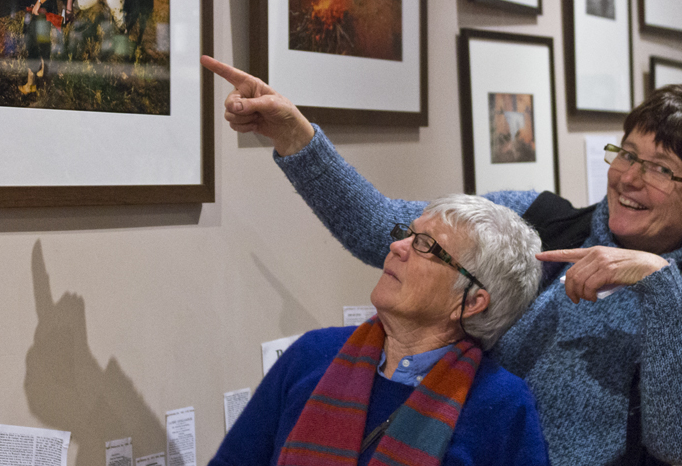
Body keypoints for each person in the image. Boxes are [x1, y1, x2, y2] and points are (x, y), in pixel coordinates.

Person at [201, 55, 682, 466]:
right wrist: (296, 136)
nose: (629, 178)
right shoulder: (538, 221)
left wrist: (661, 286)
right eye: (628, 154)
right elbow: (383, 228)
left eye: (661, 169)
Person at [211, 194, 549, 466]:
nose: (397, 247)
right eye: (407, 235)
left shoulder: (501, 404)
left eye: (426, 246)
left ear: (471, 302)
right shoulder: (312, 354)